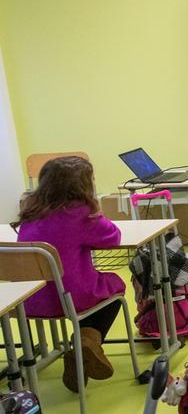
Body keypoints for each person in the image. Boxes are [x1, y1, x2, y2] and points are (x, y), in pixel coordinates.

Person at [17, 156, 123, 391]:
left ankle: (82, 346)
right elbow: (113, 237)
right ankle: (86, 342)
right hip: (69, 299)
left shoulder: (30, 213)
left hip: (30, 301)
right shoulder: (80, 214)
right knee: (114, 289)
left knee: (91, 290)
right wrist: (96, 210)